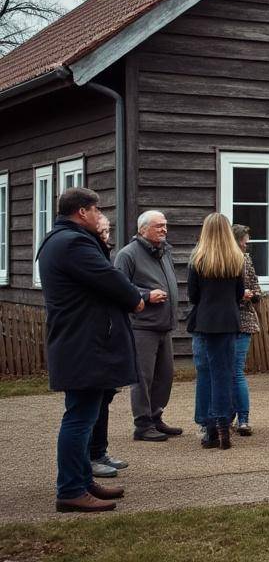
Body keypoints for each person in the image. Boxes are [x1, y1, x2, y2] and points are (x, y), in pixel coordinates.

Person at [39, 187, 144, 512]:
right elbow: (109, 278)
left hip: (80, 341)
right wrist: (136, 298)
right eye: (97, 210)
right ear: (82, 211)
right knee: (80, 418)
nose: (100, 216)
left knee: (86, 414)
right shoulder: (73, 243)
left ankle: (83, 481)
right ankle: (71, 489)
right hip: (83, 343)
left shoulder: (62, 240)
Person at [113, 210, 182, 443]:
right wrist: (145, 295)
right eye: (158, 226)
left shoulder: (164, 251)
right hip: (142, 326)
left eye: (165, 225)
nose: (164, 229)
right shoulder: (127, 254)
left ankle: (156, 417)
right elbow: (119, 288)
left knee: (165, 376)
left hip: (164, 325)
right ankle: (142, 425)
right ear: (143, 229)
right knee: (143, 378)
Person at [187, 212, 245, 451]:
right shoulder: (236, 258)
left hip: (205, 322)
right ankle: (223, 424)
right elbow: (239, 294)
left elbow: (193, 295)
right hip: (229, 321)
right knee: (224, 373)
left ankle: (209, 427)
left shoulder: (198, 259)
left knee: (205, 373)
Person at [88, 215, 131, 480]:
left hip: (109, 335)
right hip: (94, 340)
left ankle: (99, 451)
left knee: (104, 399)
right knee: (90, 405)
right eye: (102, 231)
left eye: (107, 231)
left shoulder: (103, 255)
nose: (106, 236)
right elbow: (116, 288)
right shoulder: (90, 257)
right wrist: (138, 297)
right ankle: (90, 457)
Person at [231, 224, 262, 435]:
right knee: (229, 371)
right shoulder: (225, 260)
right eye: (244, 242)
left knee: (236, 370)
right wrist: (239, 294)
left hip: (244, 320)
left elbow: (257, 288)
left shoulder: (247, 259)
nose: (246, 245)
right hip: (225, 321)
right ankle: (230, 416)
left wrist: (252, 294)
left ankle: (242, 419)